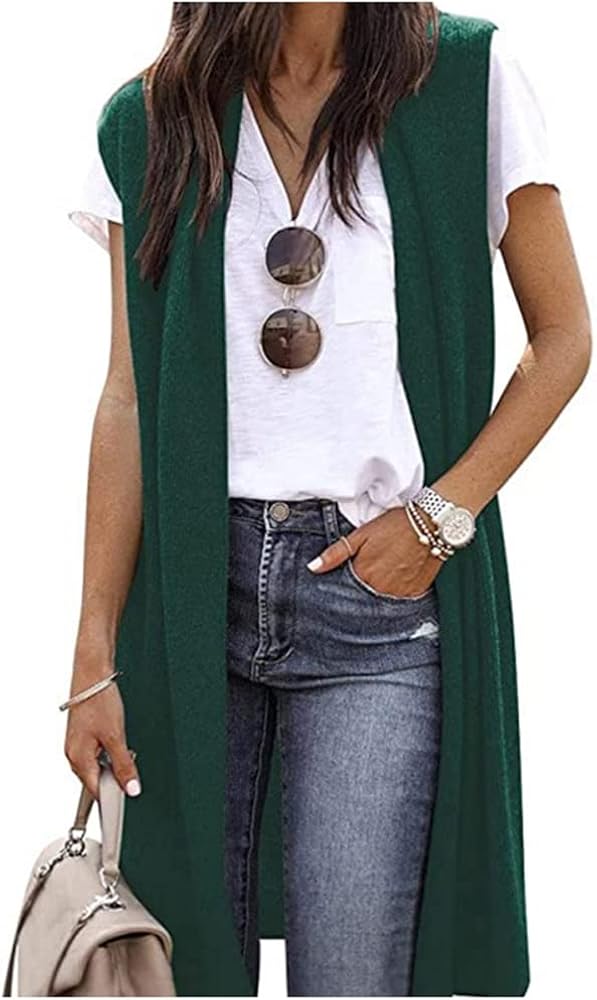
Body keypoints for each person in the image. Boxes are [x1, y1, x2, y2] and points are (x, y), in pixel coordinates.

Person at [64, 3, 591, 996]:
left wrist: (439, 518)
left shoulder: (465, 79)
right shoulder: (150, 119)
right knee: (183, 969)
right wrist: (93, 652)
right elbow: (127, 397)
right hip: (192, 601)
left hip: (373, 606)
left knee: (353, 975)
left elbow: (563, 336)